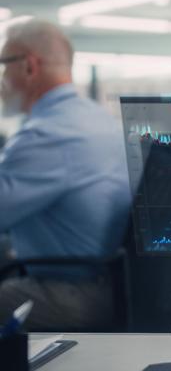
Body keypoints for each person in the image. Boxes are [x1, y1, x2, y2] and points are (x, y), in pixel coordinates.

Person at [0, 19, 131, 330]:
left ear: (29, 67)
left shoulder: (48, 135)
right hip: (113, 280)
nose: (2, 78)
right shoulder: (97, 119)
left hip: (72, 293)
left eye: (4, 64)